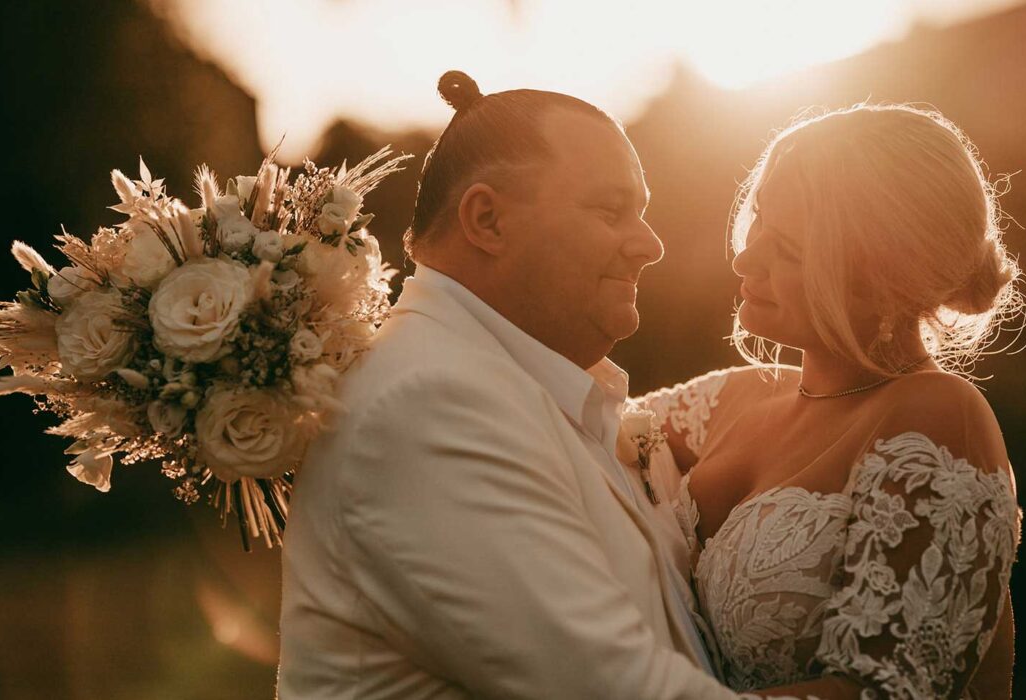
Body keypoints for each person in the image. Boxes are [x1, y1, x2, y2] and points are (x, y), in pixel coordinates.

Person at [278, 71, 737, 699]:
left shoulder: (527, 385)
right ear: (487, 219)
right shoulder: (427, 403)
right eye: (612, 210)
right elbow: (615, 688)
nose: (649, 245)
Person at [632, 104, 1024, 699]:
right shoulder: (735, 397)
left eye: (787, 247)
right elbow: (575, 423)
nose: (744, 258)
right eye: (759, 220)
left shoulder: (938, 416)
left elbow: (885, 692)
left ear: (884, 274)